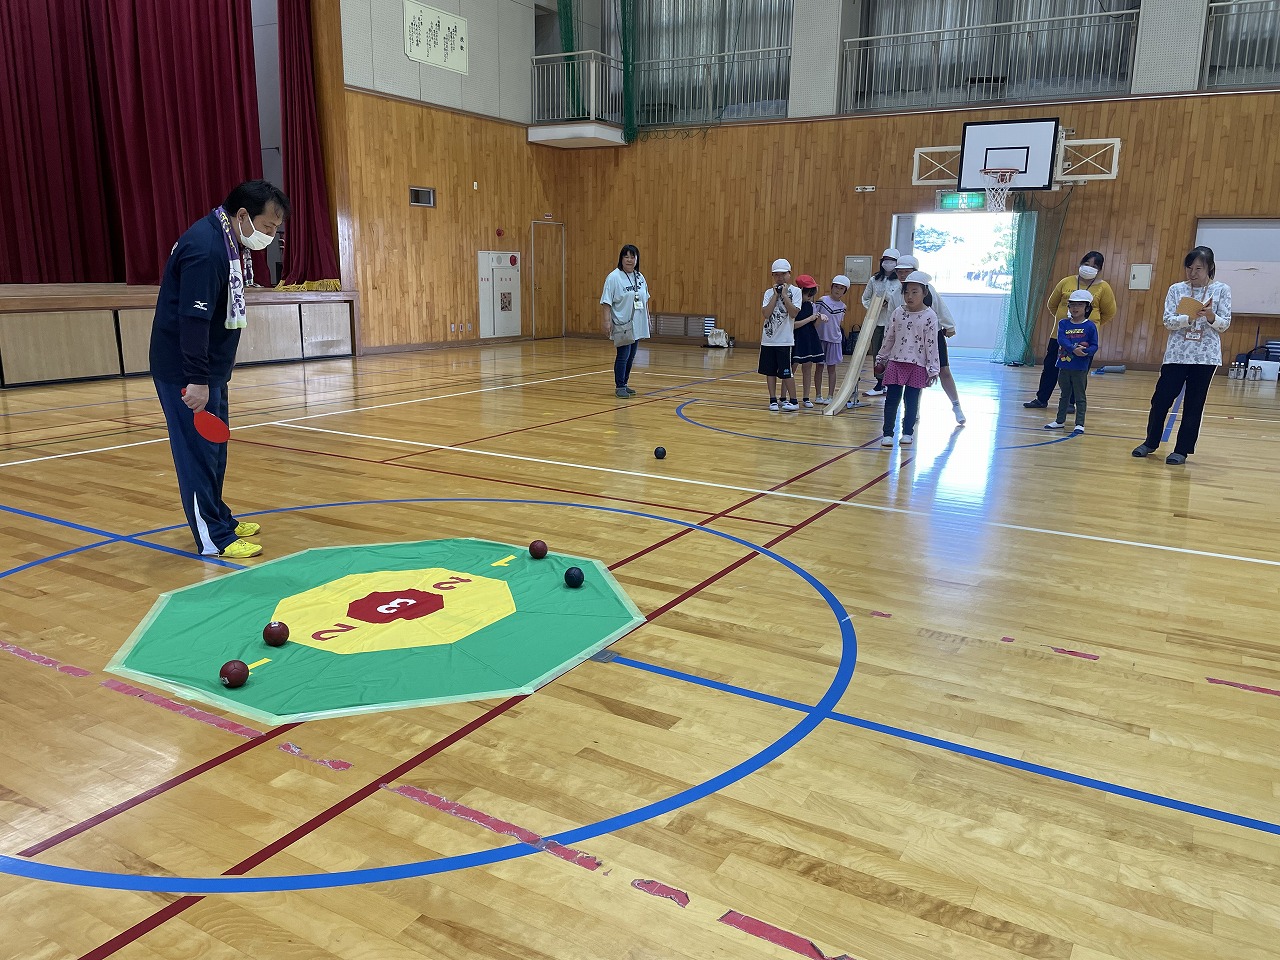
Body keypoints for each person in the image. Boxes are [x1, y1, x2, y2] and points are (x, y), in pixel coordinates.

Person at [150, 180, 289, 560]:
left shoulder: (228, 240)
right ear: (243, 215)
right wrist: (195, 380)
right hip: (186, 373)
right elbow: (192, 321)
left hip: (210, 369)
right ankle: (214, 538)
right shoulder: (206, 248)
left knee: (214, 449)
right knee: (197, 453)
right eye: (268, 227)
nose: (271, 236)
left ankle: (219, 517)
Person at [1132, 246, 1232, 465]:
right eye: (1189, 267)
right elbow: (1168, 321)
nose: (1192, 272)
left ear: (1210, 268)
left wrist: (1211, 316)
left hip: (1205, 358)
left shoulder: (1222, 290)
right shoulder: (1177, 289)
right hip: (1177, 354)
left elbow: (1224, 325)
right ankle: (1150, 442)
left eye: (1198, 268)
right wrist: (1188, 317)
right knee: (1161, 400)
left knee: (1194, 404)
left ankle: (1182, 450)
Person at [1024, 251, 1117, 410]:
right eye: (1087, 264)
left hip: (1084, 340)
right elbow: (1052, 305)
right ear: (1081, 263)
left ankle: (1071, 402)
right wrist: (1068, 324)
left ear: (1099, 269)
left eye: (1094, 266)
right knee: (1050, 368)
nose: (1089, 268)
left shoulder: (1103, 287)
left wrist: (1089, 326)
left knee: (1078, 372)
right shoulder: (1066, 282)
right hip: (1060, 337)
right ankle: (1041, 399)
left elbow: (1109, 312)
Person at [895, 255, 965, 425]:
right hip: (908, 340)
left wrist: (949, 325)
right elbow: (893, 318)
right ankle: (913, 410)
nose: (903, 275)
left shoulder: (928, 289)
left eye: (907, 272)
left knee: (944, 371)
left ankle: (956, 406)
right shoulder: (896, 294)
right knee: (914, 374)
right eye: (899, 272)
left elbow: (940, 307)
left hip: (933, 336)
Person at [875, 270, 940, 446]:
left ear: (924, 293)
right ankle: (887, 434)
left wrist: (933, 368)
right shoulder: (898, 312)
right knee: (891, 401)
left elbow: (932, 344)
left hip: (917, 365)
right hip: (896, 362)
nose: (909, 296)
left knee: (911, 401)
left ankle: (908, 432)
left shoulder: (930, 316)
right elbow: (890, 336)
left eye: (914, 292)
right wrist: (881, 357)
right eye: (906, 292)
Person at [600, 244, 651, 399]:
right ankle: (619, 385)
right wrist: (606, 321)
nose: (629, 260)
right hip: (622, 323)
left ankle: (625, 383)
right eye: (626, 256)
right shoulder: (614, 277)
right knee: (623, 354)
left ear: (637, 259)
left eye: (632, 256)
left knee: (631, 355)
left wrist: (647, 318)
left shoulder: (639, 277)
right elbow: (606, 302)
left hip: (637, 323)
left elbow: (645, 298)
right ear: (621, 259)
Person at [1043, 289, 1098, 434]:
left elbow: (1094, 345)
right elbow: (1061, 339)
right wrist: (1073, 349)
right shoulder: (1063, 323)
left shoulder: (1090, 326)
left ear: (1087, 308)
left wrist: (1085, 352)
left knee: (1080, 396)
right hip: (1064, 365)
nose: (1075, 308)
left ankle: (1079, 423)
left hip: (1080, 367)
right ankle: (1060, 420)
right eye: (1072, 305)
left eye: (1079, 305)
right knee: (1064, 395)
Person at [760, 258, 800, 411]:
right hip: (768, 341)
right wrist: (775, 296)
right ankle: (772, 399)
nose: (780, 277)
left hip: (785, 341)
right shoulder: (768, 293)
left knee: (786, 372)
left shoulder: (796, 292)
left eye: (783, 274)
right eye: (776, 275)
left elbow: (793, 313)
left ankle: (794, 401)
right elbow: (766, 313)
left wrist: (784, 295)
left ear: (789, 274)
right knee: (769, 371)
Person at [861, 248, 900, 397]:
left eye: (891, 260)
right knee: (878, 353)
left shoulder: (899, 282)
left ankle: (891, 384)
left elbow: (899, 301)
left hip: (893, 324)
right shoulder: (874, 280)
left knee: (892, 354)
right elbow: (865, 298)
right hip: (877, 322)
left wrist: (887, 300)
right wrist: (875, 306)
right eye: (885, 260)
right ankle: (879, 384)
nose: (888, 263)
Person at [815, 275, 849, 404]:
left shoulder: (843, 306)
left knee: (831, 369)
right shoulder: (822, 300)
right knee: (819, 367)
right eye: (836, 287)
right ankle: (818, 395)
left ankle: (830, 396)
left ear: (844, 291)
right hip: (820, 338)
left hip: (834, 340)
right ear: (831, 287)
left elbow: (839, 322)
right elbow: (815, 315)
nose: (838, 290)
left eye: (841, 288)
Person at [791, 275, 824, 408]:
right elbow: (793, 325)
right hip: (796, 339)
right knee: (792, 368)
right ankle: (786, 396)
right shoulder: (794, 306)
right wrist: (809, 319)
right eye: (807, 292)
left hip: (809, 339)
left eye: (812, 292)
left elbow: (813, 326)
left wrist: (819, 319)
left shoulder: (811, 306)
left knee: (808, 368)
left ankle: (806, 397)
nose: (810, 295)